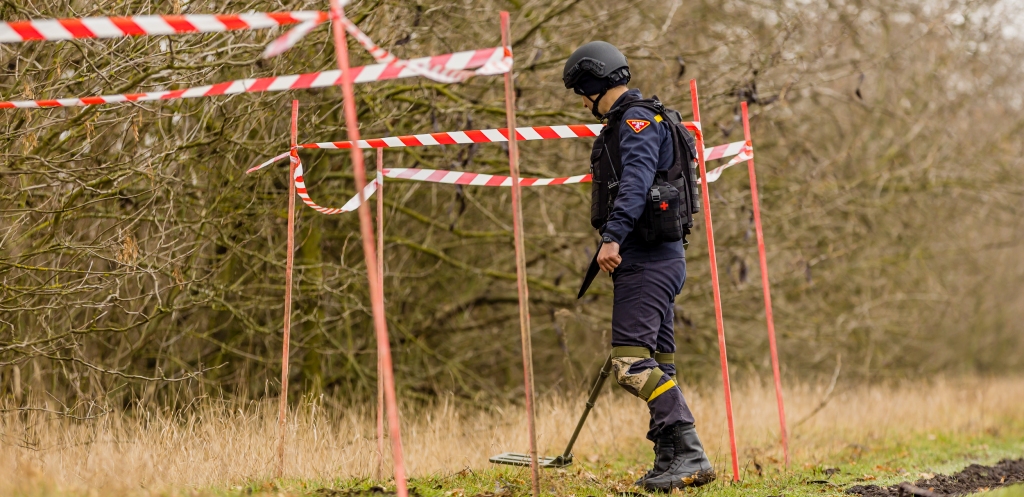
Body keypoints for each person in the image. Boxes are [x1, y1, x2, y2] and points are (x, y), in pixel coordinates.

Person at [562, 41, 716, 492]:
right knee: (660, 365)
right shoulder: (646, 118)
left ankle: (690, 452)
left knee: (630, 364)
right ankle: (670, 458)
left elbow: (636, 181)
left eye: (582, 92)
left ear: (594, 84)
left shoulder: (635, 121)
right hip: (662, 259)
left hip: (647, 260)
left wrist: (611, 237)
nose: (583, 102)